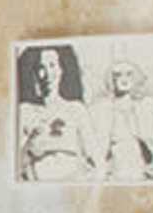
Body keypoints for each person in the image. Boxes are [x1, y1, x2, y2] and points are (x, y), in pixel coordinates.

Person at [15, 44, 94, 181]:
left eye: (52, 65)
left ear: (62, 69)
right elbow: (14, 163)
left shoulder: (76, 109)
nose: (46, 74)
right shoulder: (25, 110)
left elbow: (94, 155)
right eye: (41, 68)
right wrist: (30, 144)